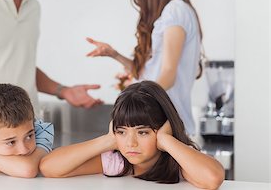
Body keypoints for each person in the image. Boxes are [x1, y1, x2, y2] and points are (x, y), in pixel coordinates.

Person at [86, 0, 202, 135]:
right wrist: (114, 54)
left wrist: (135, 100)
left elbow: (168, 74)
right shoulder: (167, 13)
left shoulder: (176, 10)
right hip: (160, 125)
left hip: (169, 127)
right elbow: (149, 74)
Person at [40, 81, 224, 189]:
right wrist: (108, 140)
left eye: (142, 132)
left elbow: (212, 178)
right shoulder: (117, 162)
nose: (130, 143)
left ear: (163, 129)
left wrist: (167, 141)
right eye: (121, 132)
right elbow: (49, 167)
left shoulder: (177, 161)